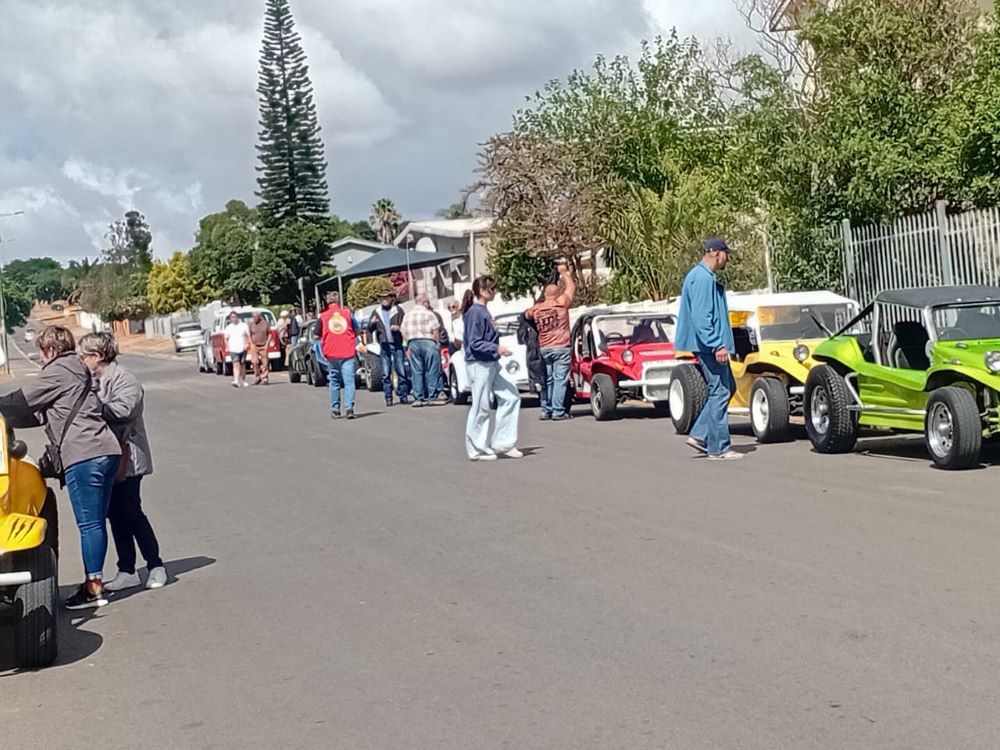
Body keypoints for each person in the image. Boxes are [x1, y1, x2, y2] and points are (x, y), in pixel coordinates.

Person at [0, 326, 121, 609]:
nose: (40, 358)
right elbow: (41, 413)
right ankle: (96, 582)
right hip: (106, 450)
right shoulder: (78, 367)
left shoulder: (57, 371)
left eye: (41, 352)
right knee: (97, 523)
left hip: (83, 453)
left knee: (89, 524)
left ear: (50, 349)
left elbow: (21, 402)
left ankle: (93, 589)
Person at [79, 333, 167, 592]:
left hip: (127, 456)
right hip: (106, 455)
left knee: (131, 510)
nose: (81, 360)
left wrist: (94, 405)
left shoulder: (124, 379)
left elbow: (124, 411)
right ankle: (127, 568)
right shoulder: (93, 379)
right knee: (114, 514)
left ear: (97, 356)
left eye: (84, 355)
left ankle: (155, 564)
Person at [675, 237, 742, 461]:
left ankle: (700, 434)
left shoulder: (701, 277)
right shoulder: (702, 279)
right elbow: (703, 317)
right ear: (716, 253)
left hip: (707, 344)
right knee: (720, 391)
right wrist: (717, 344)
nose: (727, 258)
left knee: (727, 387)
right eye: (726, 253)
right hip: (709, 345)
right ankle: (719, 448)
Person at [461, 276, 522, 461]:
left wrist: (495, 334)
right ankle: (476, 449)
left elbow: (480, 338)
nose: (494, 292)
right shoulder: (476, 312)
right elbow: (474, 342)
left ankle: (503, 442)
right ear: (482, 291)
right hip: (479, 364)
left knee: (511, 396)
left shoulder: (482, 312)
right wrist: (496, 348)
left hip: (490, 363)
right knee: (481, 406)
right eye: (491, 289)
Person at [526, 263, 576, 421]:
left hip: (545, 348)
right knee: (559, 379)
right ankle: (558, 411)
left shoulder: (537, 310)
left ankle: (545, 409)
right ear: (556, 293)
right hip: (561, 346)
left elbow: (527, 315)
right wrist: (564, 273)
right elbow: (571, 288)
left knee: (547, 379)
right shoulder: (561, 303)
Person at [319, 292, 361, 419]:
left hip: (331, 352)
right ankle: (349, 408)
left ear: (327, 302)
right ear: (338, 301)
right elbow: (357, 329)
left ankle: (335, 409)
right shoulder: (348, 314)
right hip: (347, 351)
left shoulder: (323, 317)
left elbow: (316, 334)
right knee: (349, 381)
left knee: (334, 381)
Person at [368, 291, 411, 406]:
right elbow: (369, 329)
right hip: (384, 345)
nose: (384, 300)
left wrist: (399, 327)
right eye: (382, 298)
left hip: (397, 344)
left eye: (386, 297)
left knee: (401, 371)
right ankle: (388, 398)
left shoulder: (398, 310)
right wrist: (372, 324)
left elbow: (406, 325)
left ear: (391, 298)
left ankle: (403, 396)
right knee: (385, 374)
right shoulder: (376, 312)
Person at [401, 294, 443, 407]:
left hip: (413, 342)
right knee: (431, 369)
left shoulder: (407, 316)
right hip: (428, 341)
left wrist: (409, 342)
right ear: (424, 302)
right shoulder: (429, 314)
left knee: (416, 370)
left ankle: (418, 397)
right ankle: (432, 396)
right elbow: (435, 330)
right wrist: (437, 343)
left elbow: (403, 331)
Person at [224, 311, 250, 388]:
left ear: (238, 317)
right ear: (230, 319)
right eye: (232, 317)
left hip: (242, 348)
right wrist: (227, 347)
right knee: (235, 364)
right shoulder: (228, 327)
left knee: (242, 365)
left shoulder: (243, 325)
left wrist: (247, 344)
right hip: (233, 349)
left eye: (235, 317)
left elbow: (248, 335)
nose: (234, 318)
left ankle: (243, 380)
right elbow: (225, 338)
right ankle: (236, 380)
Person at [249, 311, 271, 385]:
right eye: (253, 317)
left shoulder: (265, 323)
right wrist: (251, 343)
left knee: (265, 362)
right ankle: (257, 377)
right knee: (255, 362)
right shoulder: (251, 324)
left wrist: (267, 343)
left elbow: (270, 334)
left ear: (259, 317)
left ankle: (265, 378)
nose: (254, 318)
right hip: (254, 345)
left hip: (263, 345)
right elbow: (249, 335)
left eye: (255, 317)